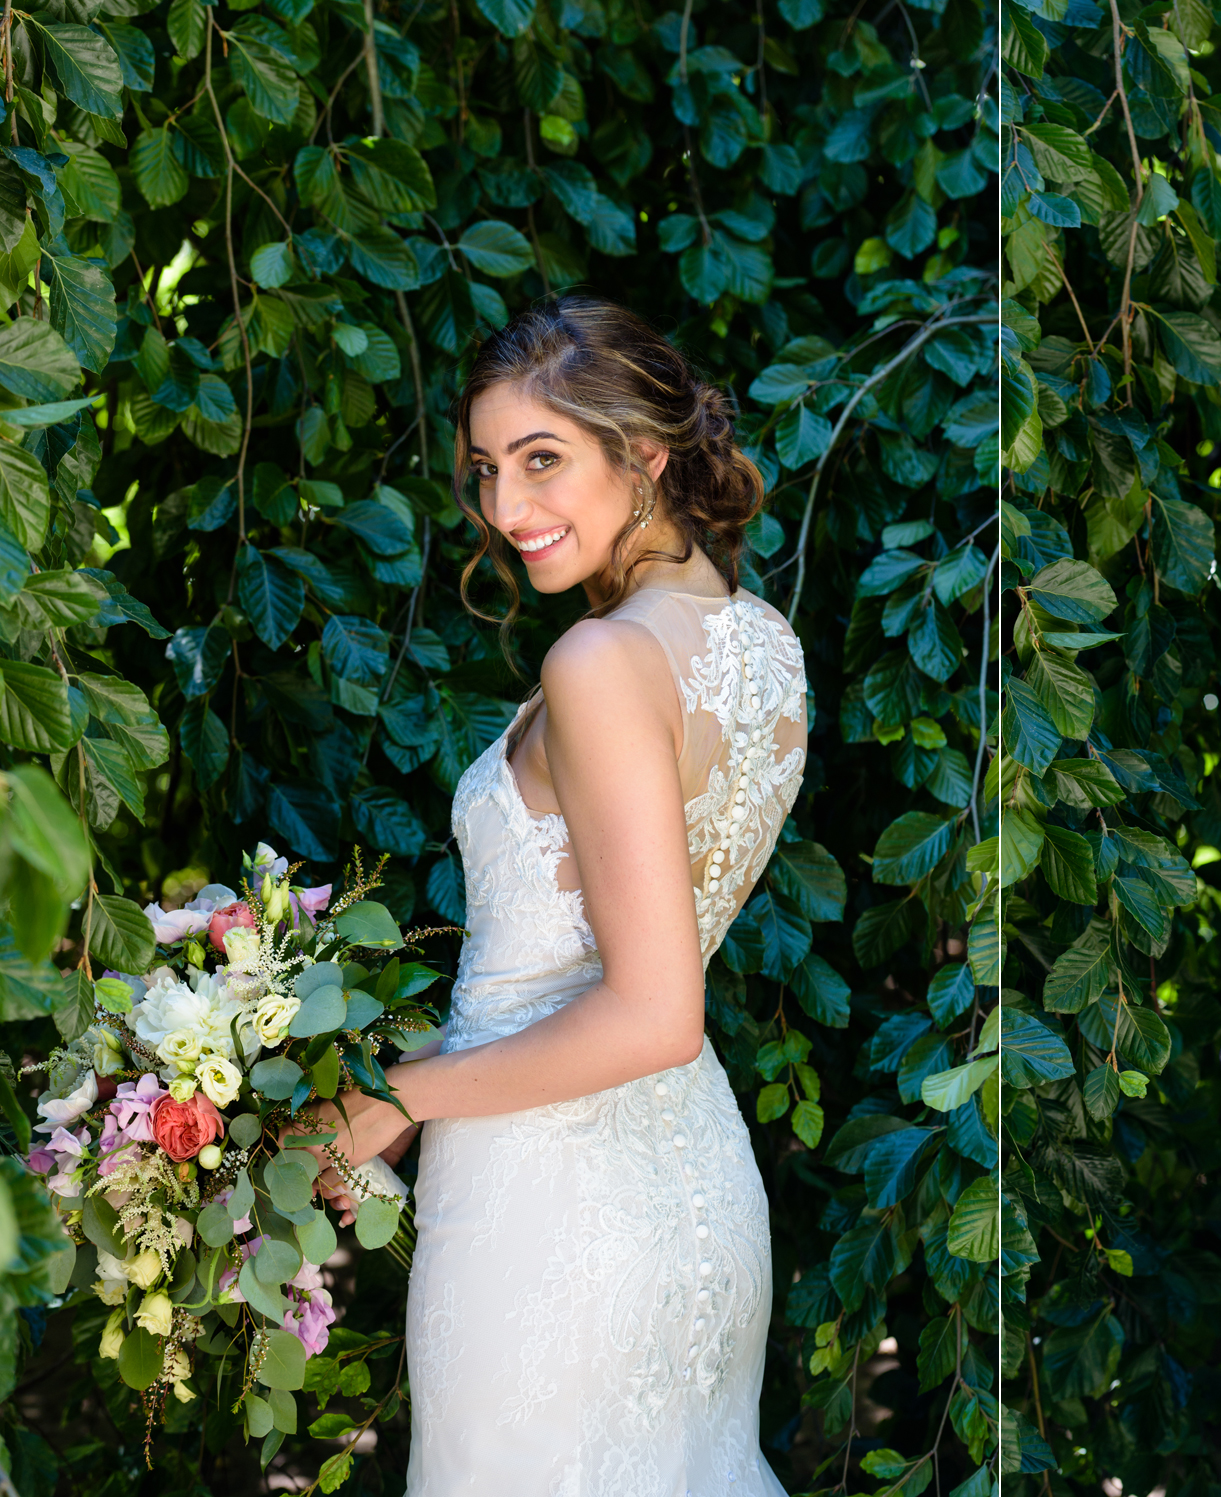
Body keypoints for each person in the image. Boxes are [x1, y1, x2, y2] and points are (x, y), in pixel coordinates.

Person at [302, 296, 804, 1495]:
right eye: (485, 471)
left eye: (543, 461)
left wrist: (390, 1103)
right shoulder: (760, 645)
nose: (507, 511)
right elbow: (569, 964)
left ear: (646, 455)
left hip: (551, 1218)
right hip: (691, 1197)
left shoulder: (597, 662)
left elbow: (647, 1011)